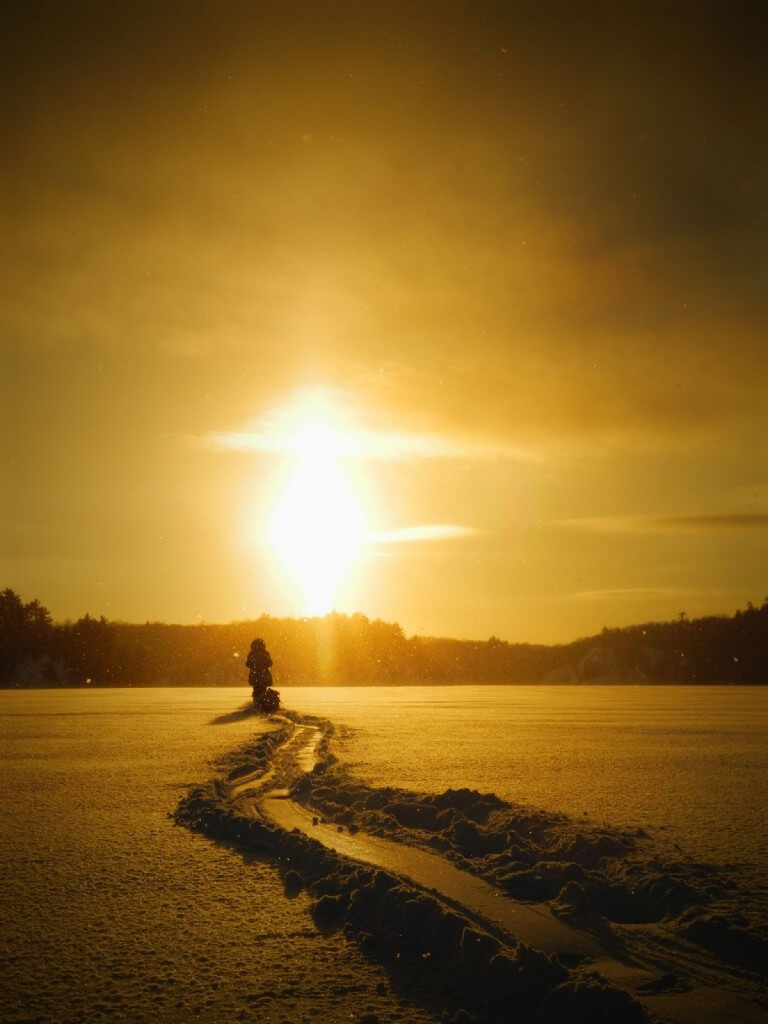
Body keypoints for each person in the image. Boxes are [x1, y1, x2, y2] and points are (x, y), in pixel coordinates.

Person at [245, 638, 280, 713]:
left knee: (257, 691)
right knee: (262, 690)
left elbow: (248, 664)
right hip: (264, 676)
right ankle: (264, 704)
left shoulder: (252, 654)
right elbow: (270, 663)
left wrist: (255, 665)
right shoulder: (265, 653)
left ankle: (259, 705)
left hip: (256, 676)